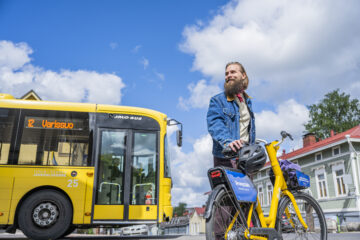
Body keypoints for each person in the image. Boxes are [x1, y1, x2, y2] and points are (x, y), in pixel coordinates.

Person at [207, 62, 255, 168]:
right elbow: (215, 124)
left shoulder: (247, 101)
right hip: (227, 157)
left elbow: (247, 130)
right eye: (227, 73)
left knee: (249, 185)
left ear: (243, 75)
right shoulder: (218, 100)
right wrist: (228, 142)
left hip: (245, 157)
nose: (229, 75)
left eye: (233, 72)